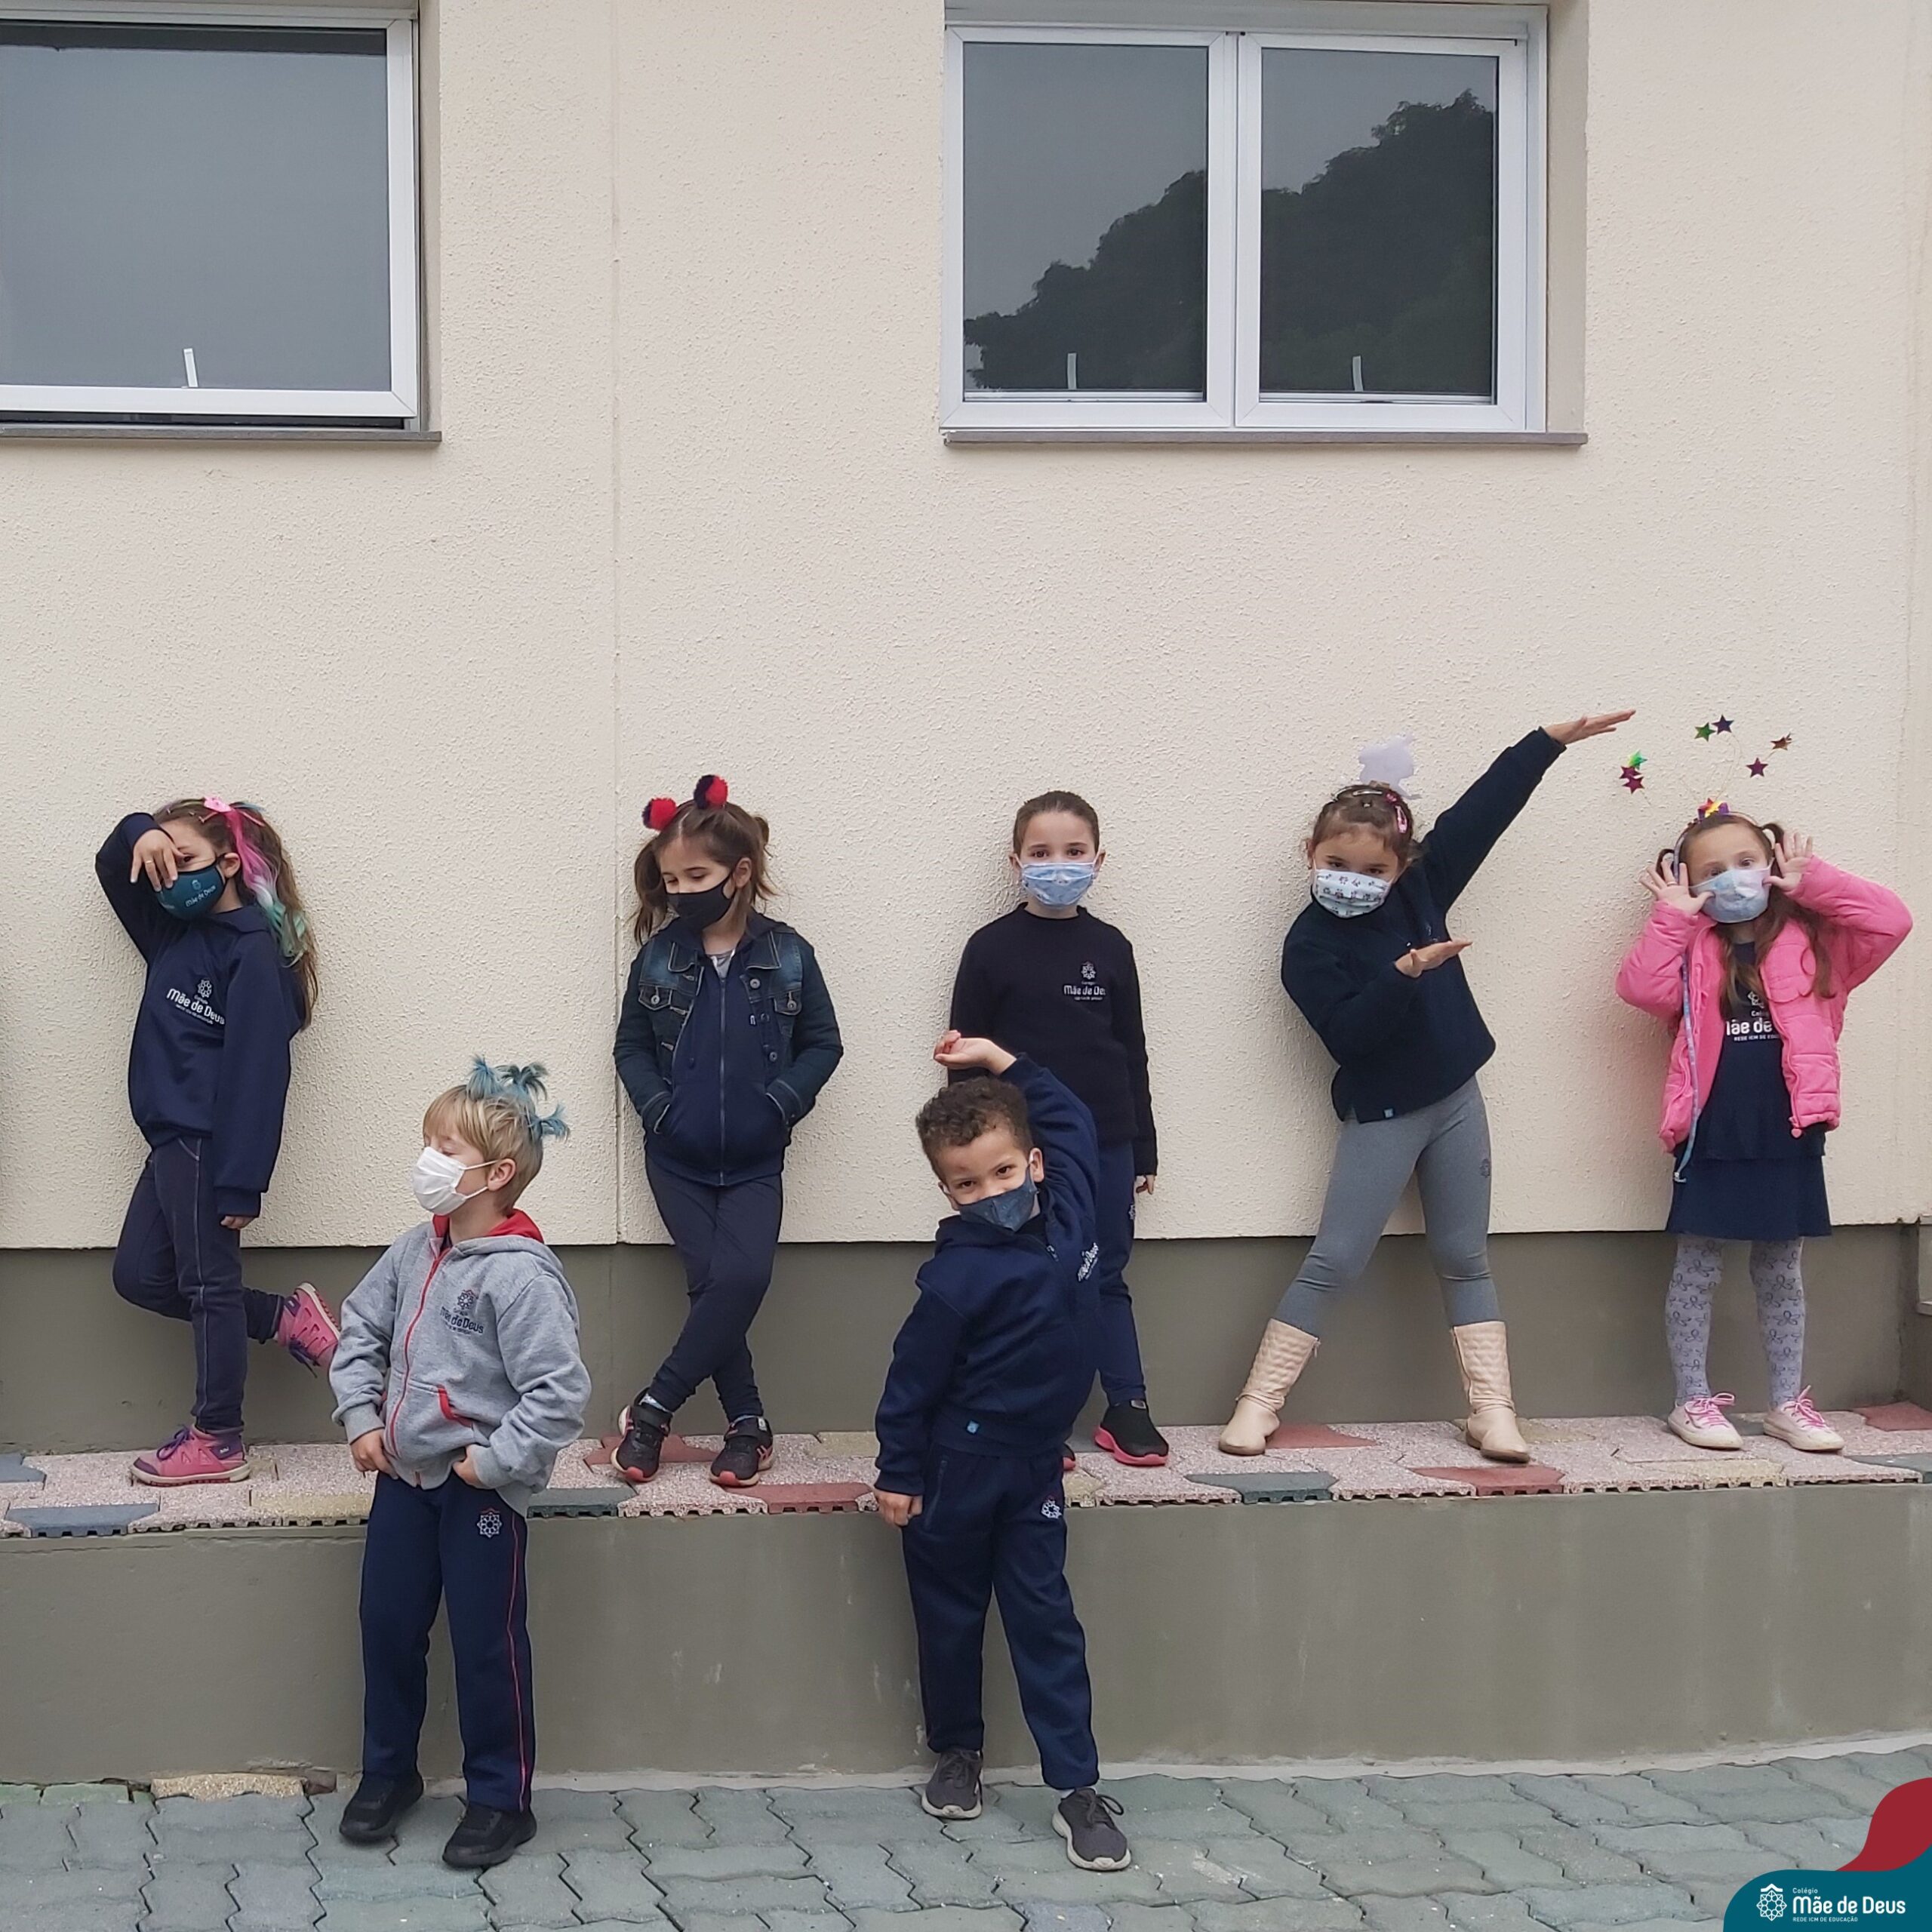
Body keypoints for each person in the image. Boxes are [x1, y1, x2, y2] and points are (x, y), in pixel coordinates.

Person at [1219, 715, 1632, 1461]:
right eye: (1336, 862)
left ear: (1401, 867)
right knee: (1336, 1258)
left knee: (1465, 1256)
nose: (1353, 878)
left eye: (1373, 869)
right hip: (1383, 1111)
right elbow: (1349, 1037)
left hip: (1456, 1099)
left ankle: (1493, 1411)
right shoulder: (1307, 944)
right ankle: (1256, 1404)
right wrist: (1404, 973)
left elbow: (1481, 815)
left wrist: (1544, 742)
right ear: (1310, 854)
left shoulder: (1421, 890)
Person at [875, 1032, 1131, 1875]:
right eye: (966, 1183)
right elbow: (910, 1382)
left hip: (1035, 1470)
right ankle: (957, 1753)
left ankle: (1078, 1787)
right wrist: (898, 1472)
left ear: (1035, 1163)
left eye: (1003, 1172)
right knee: (949, 1617)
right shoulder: (955, 1278)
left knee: (1045, 1619)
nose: (989, 1192)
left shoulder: (1074, 1212)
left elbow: (1072, 1117)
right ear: (946, 1190)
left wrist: (1003, 1060)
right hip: (955, 1469)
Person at [330, 1060, 589, 1870]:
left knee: (486, 1645)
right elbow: (360, 1328)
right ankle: (389, 1774)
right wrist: (361, 1417)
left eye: (445, 1149)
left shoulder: (521, 1276)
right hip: (403, 1483)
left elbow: (560, 1394)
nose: (427, 1161)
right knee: (387, 1628)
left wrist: (496, 1461)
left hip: (479, 1493)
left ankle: (501, 1800)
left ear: (496, 1173)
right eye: (427, 1143)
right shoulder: (415, 1249)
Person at [1617, 809, 1910, 1451]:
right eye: (1712, 871)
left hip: (1789, 1127)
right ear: (1690, 882)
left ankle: (1786, 1403)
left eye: (1746, 862)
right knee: (1697, 1267)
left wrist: (1815, 883)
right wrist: (1672, 918)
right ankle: (1691, 1401)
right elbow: (1639, 989)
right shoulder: (1694, 948)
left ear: (1770, 864)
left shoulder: (1816, 940)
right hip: (1712, 1129)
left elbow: (1891, 921)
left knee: (1781, 1270)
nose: (1732, 878)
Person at [96, 797, 335, 1485]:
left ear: (228, 864)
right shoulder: (170, 929)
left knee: (209, 1287)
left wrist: (242, 1182)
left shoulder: (251, 953)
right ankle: (285, 1318)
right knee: (139, 1276)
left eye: (186, 860)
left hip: (209, 1143)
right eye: (163, 864)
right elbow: (112, 865)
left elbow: (259, 1076)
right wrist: (142, 832)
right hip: (169, 1139)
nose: (170, 877)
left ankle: (219, 1437)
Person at [612, 776, 842, 1487]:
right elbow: (630, 1047)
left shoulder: (789, 954)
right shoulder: (659, 957)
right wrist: (660, 1109)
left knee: (738, 1278)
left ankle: (654, 1409)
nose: (682, 892)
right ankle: (748, 1425)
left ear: (739, 874)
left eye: (697, 877)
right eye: (671, 880)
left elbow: (823, 1044)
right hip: (675, 1159)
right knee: (717, 1286)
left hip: (754, 1160)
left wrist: (777, 1106)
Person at [949, 791, 1166, 1466]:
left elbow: (1132, 1051)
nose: (1058, 864)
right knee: (1029, 1271)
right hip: (1020, 1150)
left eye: (1074, 852)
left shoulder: (1111, 948)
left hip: (1106, 1142)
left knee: (1105, 1270)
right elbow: (964, 1058)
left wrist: (1144, 1147)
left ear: (1099, 860)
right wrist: (968, 1154)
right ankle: (1034, 1418)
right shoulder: (990, 948)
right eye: (1041, 853)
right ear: (1016, 861)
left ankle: (1126, 1406)